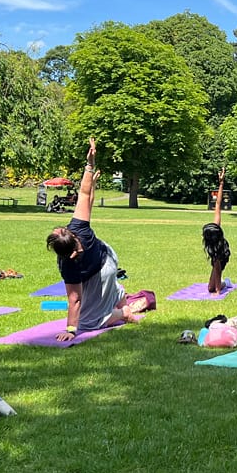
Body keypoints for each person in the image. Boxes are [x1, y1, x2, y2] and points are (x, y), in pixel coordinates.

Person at [46, 138, 146, 340]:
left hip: (103, 270)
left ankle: (122, 312)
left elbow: (74, 299)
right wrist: (90, 165)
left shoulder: (68, 264)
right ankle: (117, 294)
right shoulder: (77, 228)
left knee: (89, 322)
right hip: (108, 257)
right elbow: (84, 196)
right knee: (93, 291)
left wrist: (71, 330)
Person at [203, 167, 231, 293]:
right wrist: (221, 183)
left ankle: (225, 284)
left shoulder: (217, 246)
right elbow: (218, 204)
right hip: (216, 257)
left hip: (222, 255)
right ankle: (221, 284)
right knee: (210, 288)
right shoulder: (214, 229)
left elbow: (218, 269)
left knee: (214, 288)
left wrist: (218, 292)